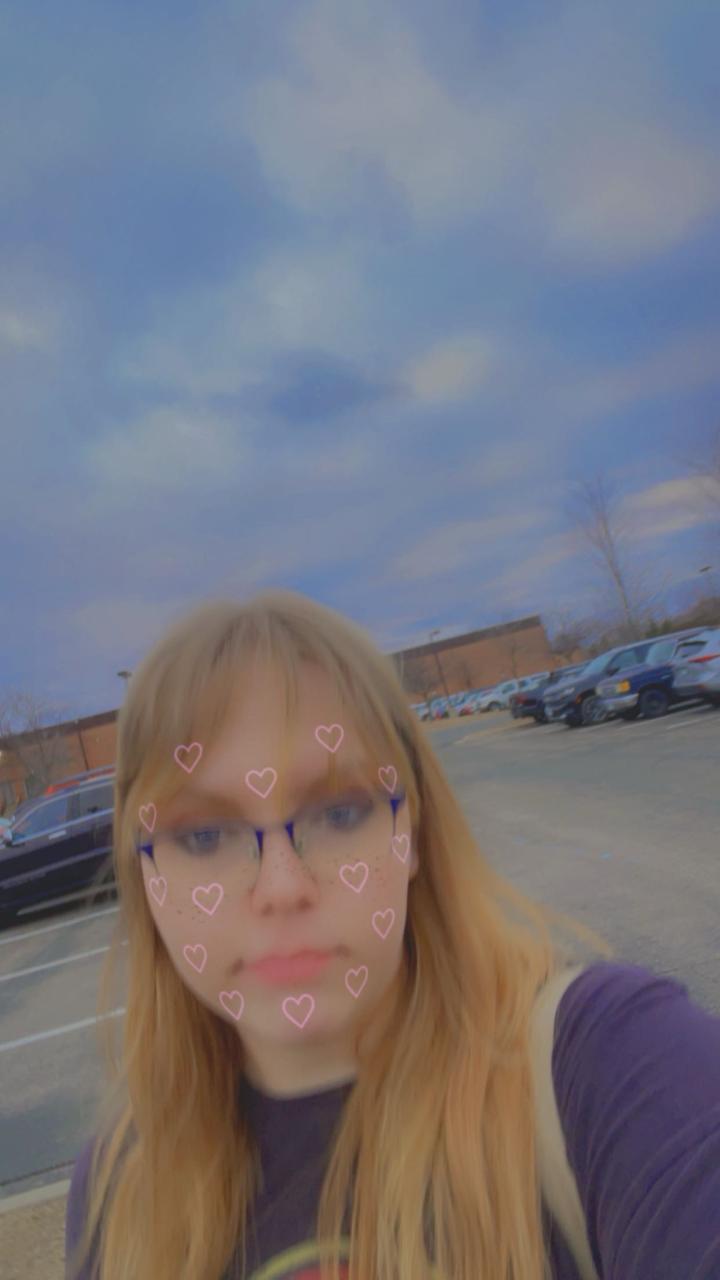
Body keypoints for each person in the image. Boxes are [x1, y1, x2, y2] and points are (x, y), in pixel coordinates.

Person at [65, 591, 720, 1280]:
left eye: (340, 812)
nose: (282, 887)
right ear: (144, 875)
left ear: (413, 833)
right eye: (203, 835)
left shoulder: (609, 1066)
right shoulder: (120, 1186)